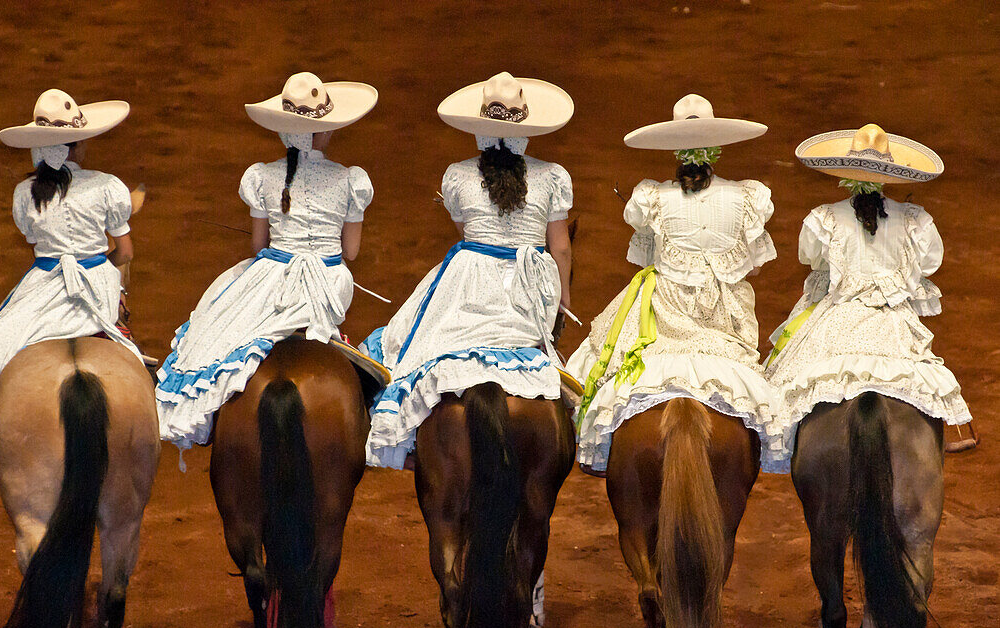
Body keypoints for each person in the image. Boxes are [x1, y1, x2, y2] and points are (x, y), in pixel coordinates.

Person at [0, 89, 142, 476]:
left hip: (44, 281)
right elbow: (124, 252)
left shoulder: (25, 193)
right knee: (125, 347)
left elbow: (36, 242)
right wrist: (105, 263)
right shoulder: (108, 186)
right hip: (96, 281)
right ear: (78, 145)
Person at [154, 72, 377, 451]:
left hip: (273, 277)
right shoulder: (350, 180)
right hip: (328, 284)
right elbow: (351, 253)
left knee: (217, 330)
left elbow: (259, 244)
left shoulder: (262, 176)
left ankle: (206, 416)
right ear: (324, 131)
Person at [364, 71, 575, 470]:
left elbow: (465, 233)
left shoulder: (458, 175)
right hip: (527, 285)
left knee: (408, 353)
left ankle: (407, 443)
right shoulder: (552, 176)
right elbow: (561, 247)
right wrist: (562, 298)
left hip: (469, 276)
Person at [569, 94, 778, 473]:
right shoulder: (747, 197)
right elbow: (754, 268)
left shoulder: (651, 197)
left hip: (664, 311)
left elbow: (647, 258)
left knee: (593, 362)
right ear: (714, 147)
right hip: (721, 318)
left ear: (675, 151)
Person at [763, 123, 971, 469]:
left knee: (785, 379)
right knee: (924, 375)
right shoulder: (914, 220)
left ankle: (780, 440)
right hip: (890, 321)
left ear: (846, 173)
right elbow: (931, 264)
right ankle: (954, 428)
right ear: (888, 175)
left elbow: (810, 260)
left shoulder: (825, 217)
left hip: (838, 318)